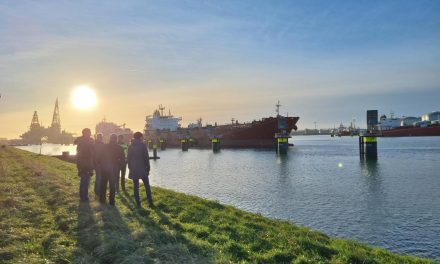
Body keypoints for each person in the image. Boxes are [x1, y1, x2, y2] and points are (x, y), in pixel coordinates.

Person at [127, 132, 154, 207]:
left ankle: (138, 202)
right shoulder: (143, 145)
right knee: (147, 185)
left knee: (136, 185)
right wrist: (148, 167)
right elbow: (146, 157)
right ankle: (150, 202)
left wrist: (130, 167)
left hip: (134, 168)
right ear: (140, 137)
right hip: (142, 168)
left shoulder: (130, 146)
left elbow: (128, 158)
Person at [98, 134, 125, 205]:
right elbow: (122, 160)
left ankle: (102, 199)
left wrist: (101, 164)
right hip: (114, 168)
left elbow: (99, 157)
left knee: (103, 184)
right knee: (112, 185)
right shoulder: (120, 148)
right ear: (116, 139)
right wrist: (121, 166)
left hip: (105, 167)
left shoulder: (104, 147)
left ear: (110, 139)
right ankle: (112, 201)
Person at [74, 128, 95, 202]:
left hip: (90, 163)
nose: (88, 134)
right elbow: (78, 153)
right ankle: (83, 197)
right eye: (87, 133)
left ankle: (85, 196)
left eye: (89, 133)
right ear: (83, 133)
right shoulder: (80, 140)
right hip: (82, 163)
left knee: (87, 181)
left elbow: (93, 152)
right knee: (83, 180)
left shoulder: (91, 140)